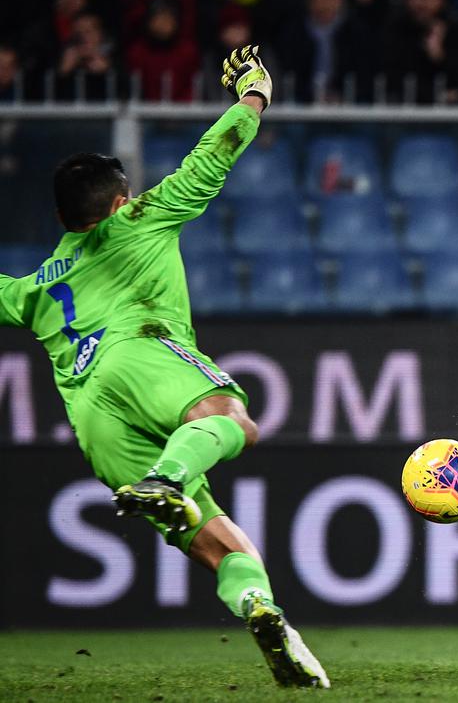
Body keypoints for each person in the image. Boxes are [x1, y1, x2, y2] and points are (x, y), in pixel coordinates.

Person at [0, 46, 328, 687]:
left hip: (93, 421)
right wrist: (254, 95)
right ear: (120, 204)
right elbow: (215, 152)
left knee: (220, 545)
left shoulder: (34, 289)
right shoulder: (143, 220)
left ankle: (264, 612)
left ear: (65, 218)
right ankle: (171, 477)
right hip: (137, 350)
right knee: (233, 417)